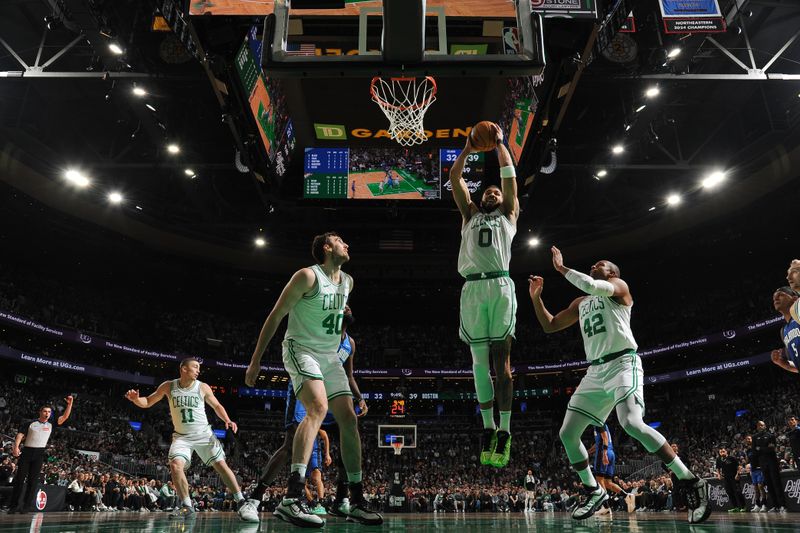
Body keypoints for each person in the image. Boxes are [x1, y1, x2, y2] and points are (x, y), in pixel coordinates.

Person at [528, 247, 710, 523]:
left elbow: (591, 284)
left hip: (623, 363)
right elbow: (550, 325)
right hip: (595, 370)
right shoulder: (581, 302)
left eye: (599, 264)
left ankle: (690, 479)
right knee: (567, 434)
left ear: (611, 272)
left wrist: (562, 269)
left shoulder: (619, 288)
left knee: (632, 423)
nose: (593, 265)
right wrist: (536, 299)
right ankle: (593, 491)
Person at [245, 232, 382, 527]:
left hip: (329, 355)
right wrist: (255, 360)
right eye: (341, 240)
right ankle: (292, 498)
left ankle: (354, 499)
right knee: (317, 408)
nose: (347, 244)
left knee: (348, 418)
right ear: (326, 247)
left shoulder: (348, 282)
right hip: (301, 348)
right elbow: (276, 315)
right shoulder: (307, 276)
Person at [249, 305, 368, 521]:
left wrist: (360, 398)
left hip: (332, 388)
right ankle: (255, 498)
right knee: (290, 443)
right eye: (342, 305)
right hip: (307, 383)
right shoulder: (319, 332)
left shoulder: (349, 343)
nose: (347, 306)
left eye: (348, 305)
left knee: (348, 435)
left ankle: (342, 500)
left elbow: (349, 375)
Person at [450, 125, 518, 468]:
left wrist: (500, 145)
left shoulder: (509, 215)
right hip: (472, 289)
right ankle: (489, 429)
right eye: (487, 191)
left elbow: (509, 177)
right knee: (478, 365)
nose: (492, 193)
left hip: (500, 286)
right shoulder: (469, 215)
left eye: (496, 191)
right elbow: (455, 180)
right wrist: (466, 150)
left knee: (501, 365)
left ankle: (505, 431)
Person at [125, 358, 259, 522]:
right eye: (195, 367)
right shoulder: (168, 386)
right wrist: (135, 400)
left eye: (199, 368)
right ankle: (187, 506)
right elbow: (147, 402)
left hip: (203, 434)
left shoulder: (202, 387)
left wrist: (227, 419)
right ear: (183, 369)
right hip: (181, 437)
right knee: (175, 465)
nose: (198, 370)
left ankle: (241, 502)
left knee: (222, 466)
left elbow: (216, 405)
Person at [7, 396, 73, 514]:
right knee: (20, 480)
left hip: (39, 453)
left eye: (49, 412)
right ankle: (13, 506)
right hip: (27, 452)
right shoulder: (30, 423)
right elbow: (20, 435)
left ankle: (26, 507)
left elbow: (65, 417)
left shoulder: (51, 424)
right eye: (45, 411)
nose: (47, 413)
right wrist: (16, 447)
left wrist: (69, 404)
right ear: (40, 412)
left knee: (33, 482)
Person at [587, 424, 626, 517]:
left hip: (603, 453)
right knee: (608, 483)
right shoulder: (601, 425)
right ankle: (627, 496)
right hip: (611, 453)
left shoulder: (598, 422)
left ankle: (606, 507)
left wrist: (604, 454)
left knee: (599, 480)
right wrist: (589, 451)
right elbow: (599, 442)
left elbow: (605, 437)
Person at [752, 420, 786, 512]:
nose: (760, 427)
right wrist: (765, 448)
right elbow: (754, 452)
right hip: (762, 463)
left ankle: (782, 505)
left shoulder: (771, 435)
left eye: (762, 425)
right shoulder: (754, 437)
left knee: (776, 483)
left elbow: (771, 449)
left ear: (765, 426)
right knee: (769, 485)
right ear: (757, 427)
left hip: (772, 462)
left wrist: (760, 449)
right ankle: (775, 506)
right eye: (759, 425)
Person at [771, 287, 800, 374]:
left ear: (794, 299)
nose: (775, 298)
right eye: (774, 297)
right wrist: (782, 363)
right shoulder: (783, 331)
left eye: (781, 295)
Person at [715, 448, 746, 512]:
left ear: (726, 452)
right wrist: (718, 475)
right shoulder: (718, 459)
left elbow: (739, 467)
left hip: (734, 477)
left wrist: (738, 474)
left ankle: (743, 506)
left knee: (737, 492)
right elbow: (717, 468)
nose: (722, 453)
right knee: (729, 492)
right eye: (720, 452)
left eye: (723, 451)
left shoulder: (732, 458)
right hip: (726, 478)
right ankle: (736, 507)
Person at [743, 435, 767, 512]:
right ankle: (757, 505)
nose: (748, 440)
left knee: (760, 486)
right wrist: (746, 466)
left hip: (760, 469)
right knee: (755, 488)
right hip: (753, 471)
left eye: (749, 439)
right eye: (747, 439)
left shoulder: (757, 447)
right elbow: (747, 461)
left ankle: (764, 505)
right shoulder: (747, 451)